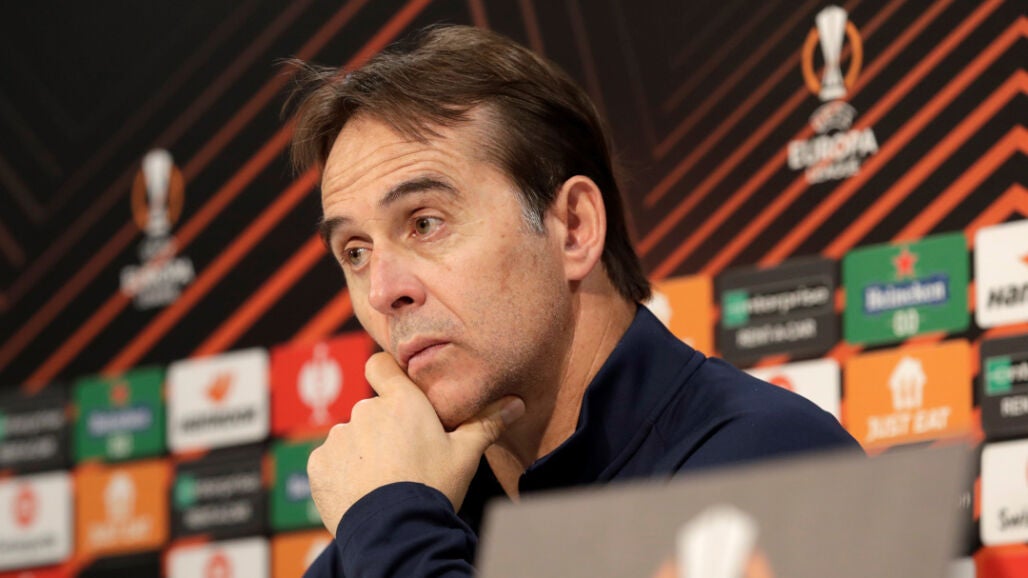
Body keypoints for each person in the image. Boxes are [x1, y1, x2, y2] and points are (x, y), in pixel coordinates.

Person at [289, 25, 860, 578]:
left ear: (574, 228)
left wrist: (391, 526)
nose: (384, 291)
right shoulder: (415, 510)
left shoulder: (774, 463)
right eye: (356, 252)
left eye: (425, 222)